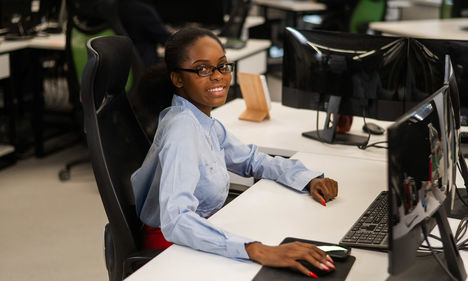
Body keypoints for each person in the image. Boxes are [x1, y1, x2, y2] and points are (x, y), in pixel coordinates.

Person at [131, 27, 339, 278]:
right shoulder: (182, 129)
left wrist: (307, 178)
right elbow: (176, 220)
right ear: (178, 79)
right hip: (174, 250)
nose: (218, 76)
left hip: (202, 231)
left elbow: (252, 159)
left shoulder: (202, 120)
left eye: (222, 66)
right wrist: (257, 250)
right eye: (203, 69)